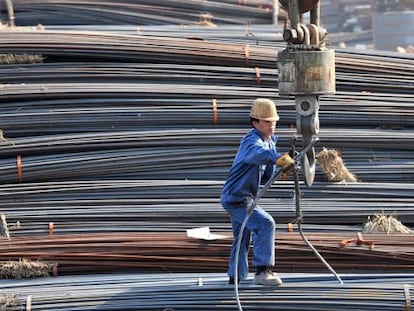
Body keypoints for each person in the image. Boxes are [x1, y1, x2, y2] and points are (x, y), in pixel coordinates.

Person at [221, 98, 293, 286]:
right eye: (267, 122)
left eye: (274, 121)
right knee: (266, 223)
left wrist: (284, 161)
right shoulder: (251, 140)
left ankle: (234, 277)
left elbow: (267, 171)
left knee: (242, 236)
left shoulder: (270, 141)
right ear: (255, 123)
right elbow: (257, 154)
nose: (272, 125)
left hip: (244, 197)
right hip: (236, 198)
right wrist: (278, 159)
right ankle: (263, 271)